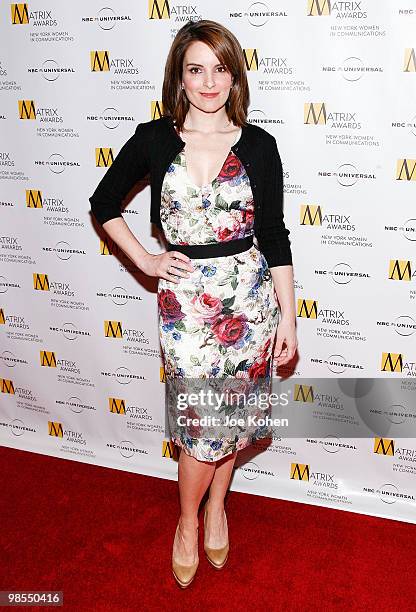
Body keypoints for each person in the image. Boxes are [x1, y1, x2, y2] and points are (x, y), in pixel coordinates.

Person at [89, 19, 297, 588]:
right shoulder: (155, 139)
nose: (209, 82)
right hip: (185, 310)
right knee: (200, 429)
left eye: (220, 68)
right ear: (179, 77)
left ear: (235, 75)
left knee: (230, 423)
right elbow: (104, 202)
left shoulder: (259, 146)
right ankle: (186, 521)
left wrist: (289, 320)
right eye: (195, 69)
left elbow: (275, 235)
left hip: (250, 305)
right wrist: (147, 262)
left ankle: (216, 509)